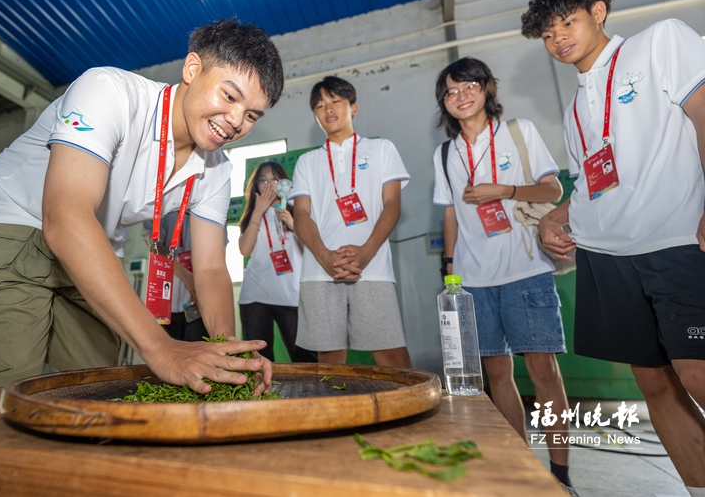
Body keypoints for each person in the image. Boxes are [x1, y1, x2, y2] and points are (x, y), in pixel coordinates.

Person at [0, 18, 284, 421]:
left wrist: (227, 352)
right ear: (193, 69)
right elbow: (65, 216)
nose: (235, 121)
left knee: (93, 391)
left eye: (251, 115)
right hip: (16, 226)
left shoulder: (216, 169)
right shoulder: (107, 91)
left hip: (93, 248)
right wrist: (160, 347)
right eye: (229, 96)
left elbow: (210, 267)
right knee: (10, 398)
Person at [521, 0, 705, 496]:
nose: (558, 38)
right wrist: (556, 222)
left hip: (676, 244)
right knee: (653, 384)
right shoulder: (576, 108)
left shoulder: (660, 43)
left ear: (599, 11)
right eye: (548, 33)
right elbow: (590, 188)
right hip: (608, 259)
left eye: (567, 22)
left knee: (697, 371)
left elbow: (703, 114)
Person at [432, 57, 575, 494]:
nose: (462, 96)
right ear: (445, 101)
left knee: (544, 371)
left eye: (469, 86)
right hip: (473, 281)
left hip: (526, 269)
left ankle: (561, 474)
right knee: (495, 374)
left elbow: (554, 190)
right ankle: (521, 469)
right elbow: (452, 214)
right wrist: (451, 271)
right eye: (451, 91)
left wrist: (504, 190)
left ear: (486, 88)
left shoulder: (519, 131)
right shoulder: (445, 153)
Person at [290, 76, 412, 367]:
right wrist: (325, 257)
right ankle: (339, 414)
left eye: (335, 101)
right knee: (329, 363)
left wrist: (366, 253)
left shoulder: (382, 149)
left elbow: (392, 205)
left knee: (392, 358)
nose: (327, 109)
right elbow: (301, 214)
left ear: (353, 106)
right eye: (319, 105)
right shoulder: (307, 162)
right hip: (320, 272)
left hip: (373, 269)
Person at [237, 161, 317, 363]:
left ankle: (310, 395)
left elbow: (314, 249)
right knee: (259, 359)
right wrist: (257, 211)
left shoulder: (300, 211)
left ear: (285, 183)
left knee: (305, 357)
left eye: (274, 179)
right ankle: (263, 395)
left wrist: (294, 223)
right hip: (255, 296)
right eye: (263, 180)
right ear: (256, 186)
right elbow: (244, 249)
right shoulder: (252, 216)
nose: (269, 185)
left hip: (291, 295)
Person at [141, 210, 210, 342]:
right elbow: (155, 246)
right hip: (164, 301)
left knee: (196, 353)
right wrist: (187, 278)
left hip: (197, 304)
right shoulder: (164, 206)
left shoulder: (208, 210)